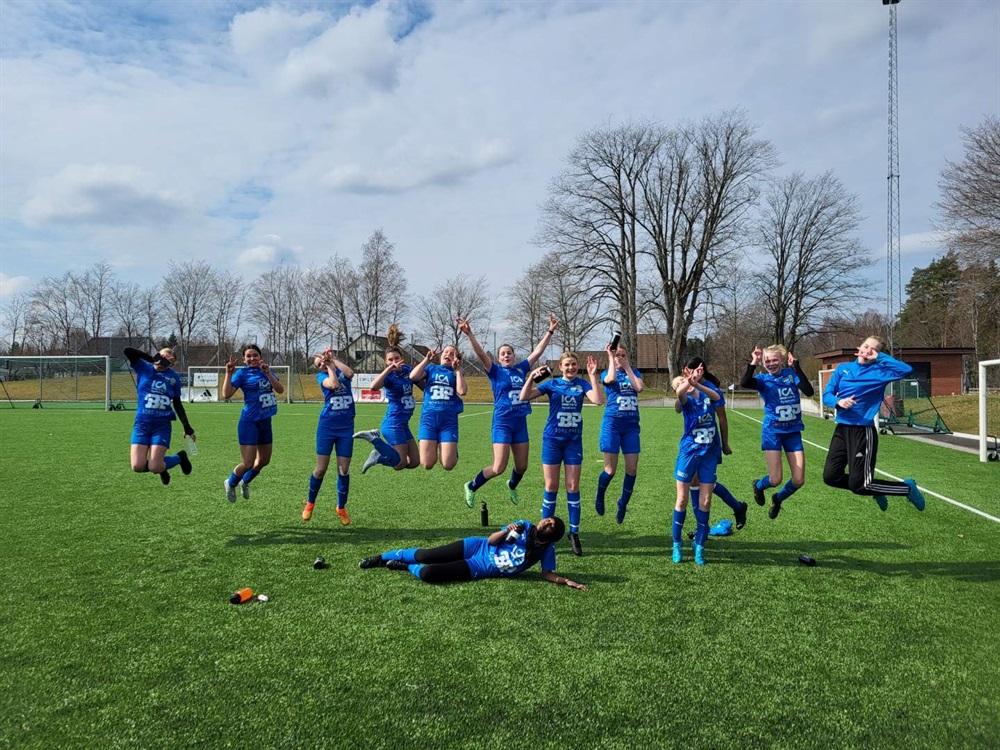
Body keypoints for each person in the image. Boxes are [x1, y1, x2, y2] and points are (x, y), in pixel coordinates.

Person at [457, 314, 558, 508]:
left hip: (520, 423)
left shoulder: (521, 369)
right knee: (498, 467)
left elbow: (538, 351)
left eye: (509, 353)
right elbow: (481, 354)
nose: (506, 356)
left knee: (522, 466)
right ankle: (471, 485)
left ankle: (511, 485)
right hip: (502, 423)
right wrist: (469, 334)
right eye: (502, 353)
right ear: (498, 357)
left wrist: (550, 331)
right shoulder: (495, 371)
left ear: (513, 355)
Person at [821, 336, 925, 511]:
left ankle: (907, 488)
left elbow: (907, 370)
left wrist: (880, 358)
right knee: (830, 477)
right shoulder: (843, 369)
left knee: (859, 485)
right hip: (842, 429)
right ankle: (874, 488)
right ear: (859, 347)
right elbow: (827, 395)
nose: (868, 351)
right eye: (866, 346)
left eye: (873, 350)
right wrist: (839, 401)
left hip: (863, 432)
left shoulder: (880, 372)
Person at [518, 352, 604, 556]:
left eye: (574, 364)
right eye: (567, 365)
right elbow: (523, 396)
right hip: (552, 441)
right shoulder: (552, 384)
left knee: (573, 486)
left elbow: (598, 400)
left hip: (573, 441)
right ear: (560, 366)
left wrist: (593, 375)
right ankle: (544, 535)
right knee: (551, 486)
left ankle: (574, 533)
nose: (571, 368)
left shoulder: (582, 384)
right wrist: (531, 377)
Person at [359, 516, 587, 589]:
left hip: (481, 567)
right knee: (426, 556)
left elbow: (546, 573)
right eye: (548, 520)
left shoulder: (546, 549)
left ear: (552, 535)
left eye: (551, 526)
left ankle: (404, 566)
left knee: (429, 573)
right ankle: (382, 558)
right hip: (478, 546)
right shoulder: (524, 526)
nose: (546, 523)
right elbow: (492, 540)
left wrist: (566, 581)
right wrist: (506, 530)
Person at [741, 344, 815, 520]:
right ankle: (759, 486)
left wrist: (796, 367)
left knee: (798, 480)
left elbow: (809, 391)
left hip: (793, 432)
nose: (771, 363)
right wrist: (753, 361)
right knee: (775, 480)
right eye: (767, 361)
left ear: (781, 360)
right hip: (773, 432)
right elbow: (745, 383)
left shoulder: (790, 374)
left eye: (775, 360)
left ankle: (778, 499)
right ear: (763, 363)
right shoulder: (763, 379)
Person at [685, 357, 748, 530]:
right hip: (692, 445)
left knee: (706, 484)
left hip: (709, 444)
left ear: (700, 370)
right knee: (694, 482)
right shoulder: (688, 386)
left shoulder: (712, 390)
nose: (686, 374)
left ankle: (705, 525)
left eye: (689, 370)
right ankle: (705, 524)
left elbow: (722, 418)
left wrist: (725, 444)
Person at [671, 362, 722, 565]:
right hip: (689, 453)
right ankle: (676, 543)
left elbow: (717, 397)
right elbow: (679, 395)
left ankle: (699, 546)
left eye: (683, 380)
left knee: (706, 501)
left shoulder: (705, 394)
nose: (683, 384)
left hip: (708, 453)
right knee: (682, 499)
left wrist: (697, 383)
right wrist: (686, 384)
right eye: (678, 383)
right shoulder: (685, 401)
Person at [353, 324, 421, 474]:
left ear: (402, 358)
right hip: (393, 423)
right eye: (390, 360)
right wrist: (389, 369)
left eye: (397, 358)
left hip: (403, 424)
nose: (394, 361)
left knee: (414, 462)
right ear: (386, 362)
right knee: (399, 463)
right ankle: (374, 440)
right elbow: (373, 387)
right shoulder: (389, 376)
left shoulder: (407, 370)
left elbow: (421, 380)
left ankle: (379, 456)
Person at [221, 344, 284, 502]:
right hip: (249, 422)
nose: (252, 358)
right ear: (244, 359)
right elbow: (226, 394)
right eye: (248, 356)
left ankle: (245, 481)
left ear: (260, 356)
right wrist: (228, 373)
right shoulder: (242, 374)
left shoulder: (266, 370)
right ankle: (231, 482)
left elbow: (280, 389)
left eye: (255, 355)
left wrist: (268, 373)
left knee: (264, 460)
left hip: (265, 421)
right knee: (248, 463)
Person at [124, 346, 194, 485]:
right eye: (161, 357)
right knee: (137, 466)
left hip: (161, 427)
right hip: (142, 425)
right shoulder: (144, 367)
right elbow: (128, 351)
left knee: (155, 466)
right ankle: (164, 466)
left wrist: (187, 426)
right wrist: (153, 359)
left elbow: (177, 403)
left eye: (168, 361)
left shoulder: (173, 378)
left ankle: (180, 458)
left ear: (172, 364)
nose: (163, 363)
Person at [302, 350, 355, 525]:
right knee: (320, 469)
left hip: (346, 427)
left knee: (343, 470)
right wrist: (329, 366)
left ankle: (341, 507)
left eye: (323, 361)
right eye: (319, 364)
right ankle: (310, 503)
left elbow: (350, 373)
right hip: (327, 427)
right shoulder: (321, 377)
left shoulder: (341, 371)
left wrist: (333, 360)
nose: (322, 365)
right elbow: (333, 384)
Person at [595, 342, 643, 524]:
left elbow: (639, 388)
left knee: (632, 469)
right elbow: (610, 380)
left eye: (623, 355)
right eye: (617, 355)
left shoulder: (634, 372)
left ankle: (623, 503)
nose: (620, 358)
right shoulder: (606, 373)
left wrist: (627, 367)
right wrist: (611, 356)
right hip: (613, 425)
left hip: (631, 426)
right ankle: (600, 494)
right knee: (610, 470)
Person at [409, 344, 467, 471]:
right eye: (446, 352)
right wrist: (427, 359)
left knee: (448, 465)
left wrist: (457, 370)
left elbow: (462, 391)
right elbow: (413, 376)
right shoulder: (431, 368)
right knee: (427, 464)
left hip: (448, 421)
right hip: (428, 419)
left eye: (452, 354)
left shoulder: (456, 373)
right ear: (441, 356)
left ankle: (451, 450)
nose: (448, 354)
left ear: (457, 359)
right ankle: (441, 446)